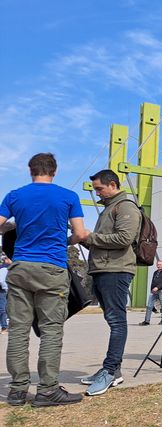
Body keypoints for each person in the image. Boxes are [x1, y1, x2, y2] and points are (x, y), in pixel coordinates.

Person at [0, 153, 88, 406]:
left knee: (18, 331)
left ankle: (17, 390)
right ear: (54, 171)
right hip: (51, 268)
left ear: (30, 170)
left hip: (20, 268)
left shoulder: (15, 195)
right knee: (51, 331)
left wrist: (12, 227)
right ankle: (48, 389)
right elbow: (80, 233)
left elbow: (0, 225)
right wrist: (67, 239)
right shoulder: (68, 196)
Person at [80, 169, 141, 396]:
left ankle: (110, 370)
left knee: (117, 322)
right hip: (102, 270)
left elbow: (124, 238)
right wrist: (82, 239)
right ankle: (113, 370)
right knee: (113, 321)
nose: (97, 193)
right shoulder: (107, 209)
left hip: (115, 271)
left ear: (113, 185)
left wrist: (90, 237)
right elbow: (101, 243)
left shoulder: (125, 206)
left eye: (99, 188)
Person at [139, 260, 162, 326]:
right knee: (149, 306)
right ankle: (147, 321)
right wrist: (151, 289)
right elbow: (153, 282)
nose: (158, 266)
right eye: (157, 264)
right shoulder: (155, 272)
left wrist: (157, 288)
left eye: (160, 264)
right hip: (153, 291)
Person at [0, 253, 10, 334]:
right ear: (6, 260)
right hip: (2, 291)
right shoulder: (4, 268)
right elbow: (2, 281)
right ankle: (4, 327)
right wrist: (6, 289)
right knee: (3, 309)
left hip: (2, 290)